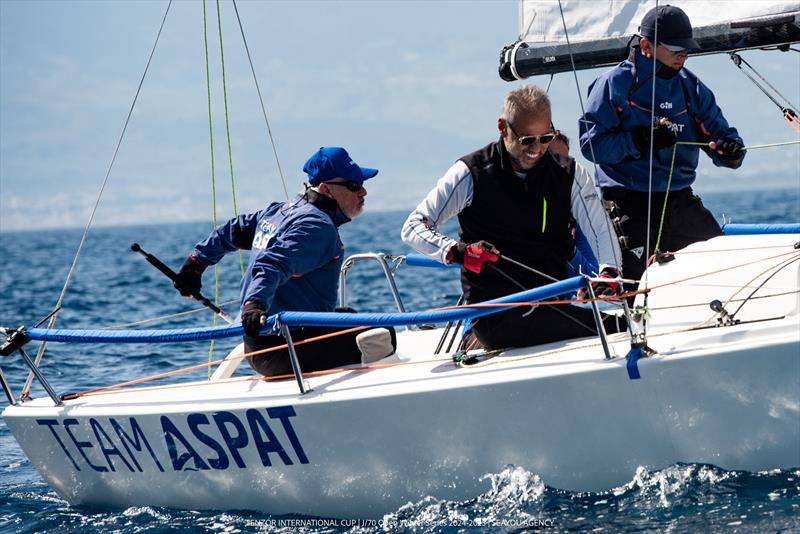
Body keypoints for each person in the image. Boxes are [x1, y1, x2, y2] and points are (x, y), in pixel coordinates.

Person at [401, 84, 625, 351]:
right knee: (612, 328)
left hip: (554, 303)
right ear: (502, 128)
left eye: (545, 138)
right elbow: (414, 227)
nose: (537, 149)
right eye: (527, 140)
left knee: (621, 325)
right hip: (497, 314)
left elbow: (599, 229)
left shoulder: (570, 174)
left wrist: (609, 271)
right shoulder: (470, 173)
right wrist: (457, 251)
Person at [173, 146, 395, 377]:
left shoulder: (280, 211)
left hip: (261, 346)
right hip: (286, 349)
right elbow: (272, 264)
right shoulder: (316, 226)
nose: (363, 192)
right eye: (353, 185)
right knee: (384, 333)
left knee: (347, 315)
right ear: (326, 189)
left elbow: (232, 232)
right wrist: (254, 305)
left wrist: (195, 264)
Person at [579, 4, 746, 287]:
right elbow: (591, 145)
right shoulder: (614, 84)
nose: (682, 55)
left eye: (686, 49)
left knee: (725, 270)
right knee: (633, 287)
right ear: (646, 45)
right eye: (674, 49)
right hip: (628, 201)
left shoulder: (690, 87)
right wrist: (640, 140)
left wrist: (731, 152)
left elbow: (721, 133)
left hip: (678, 199)